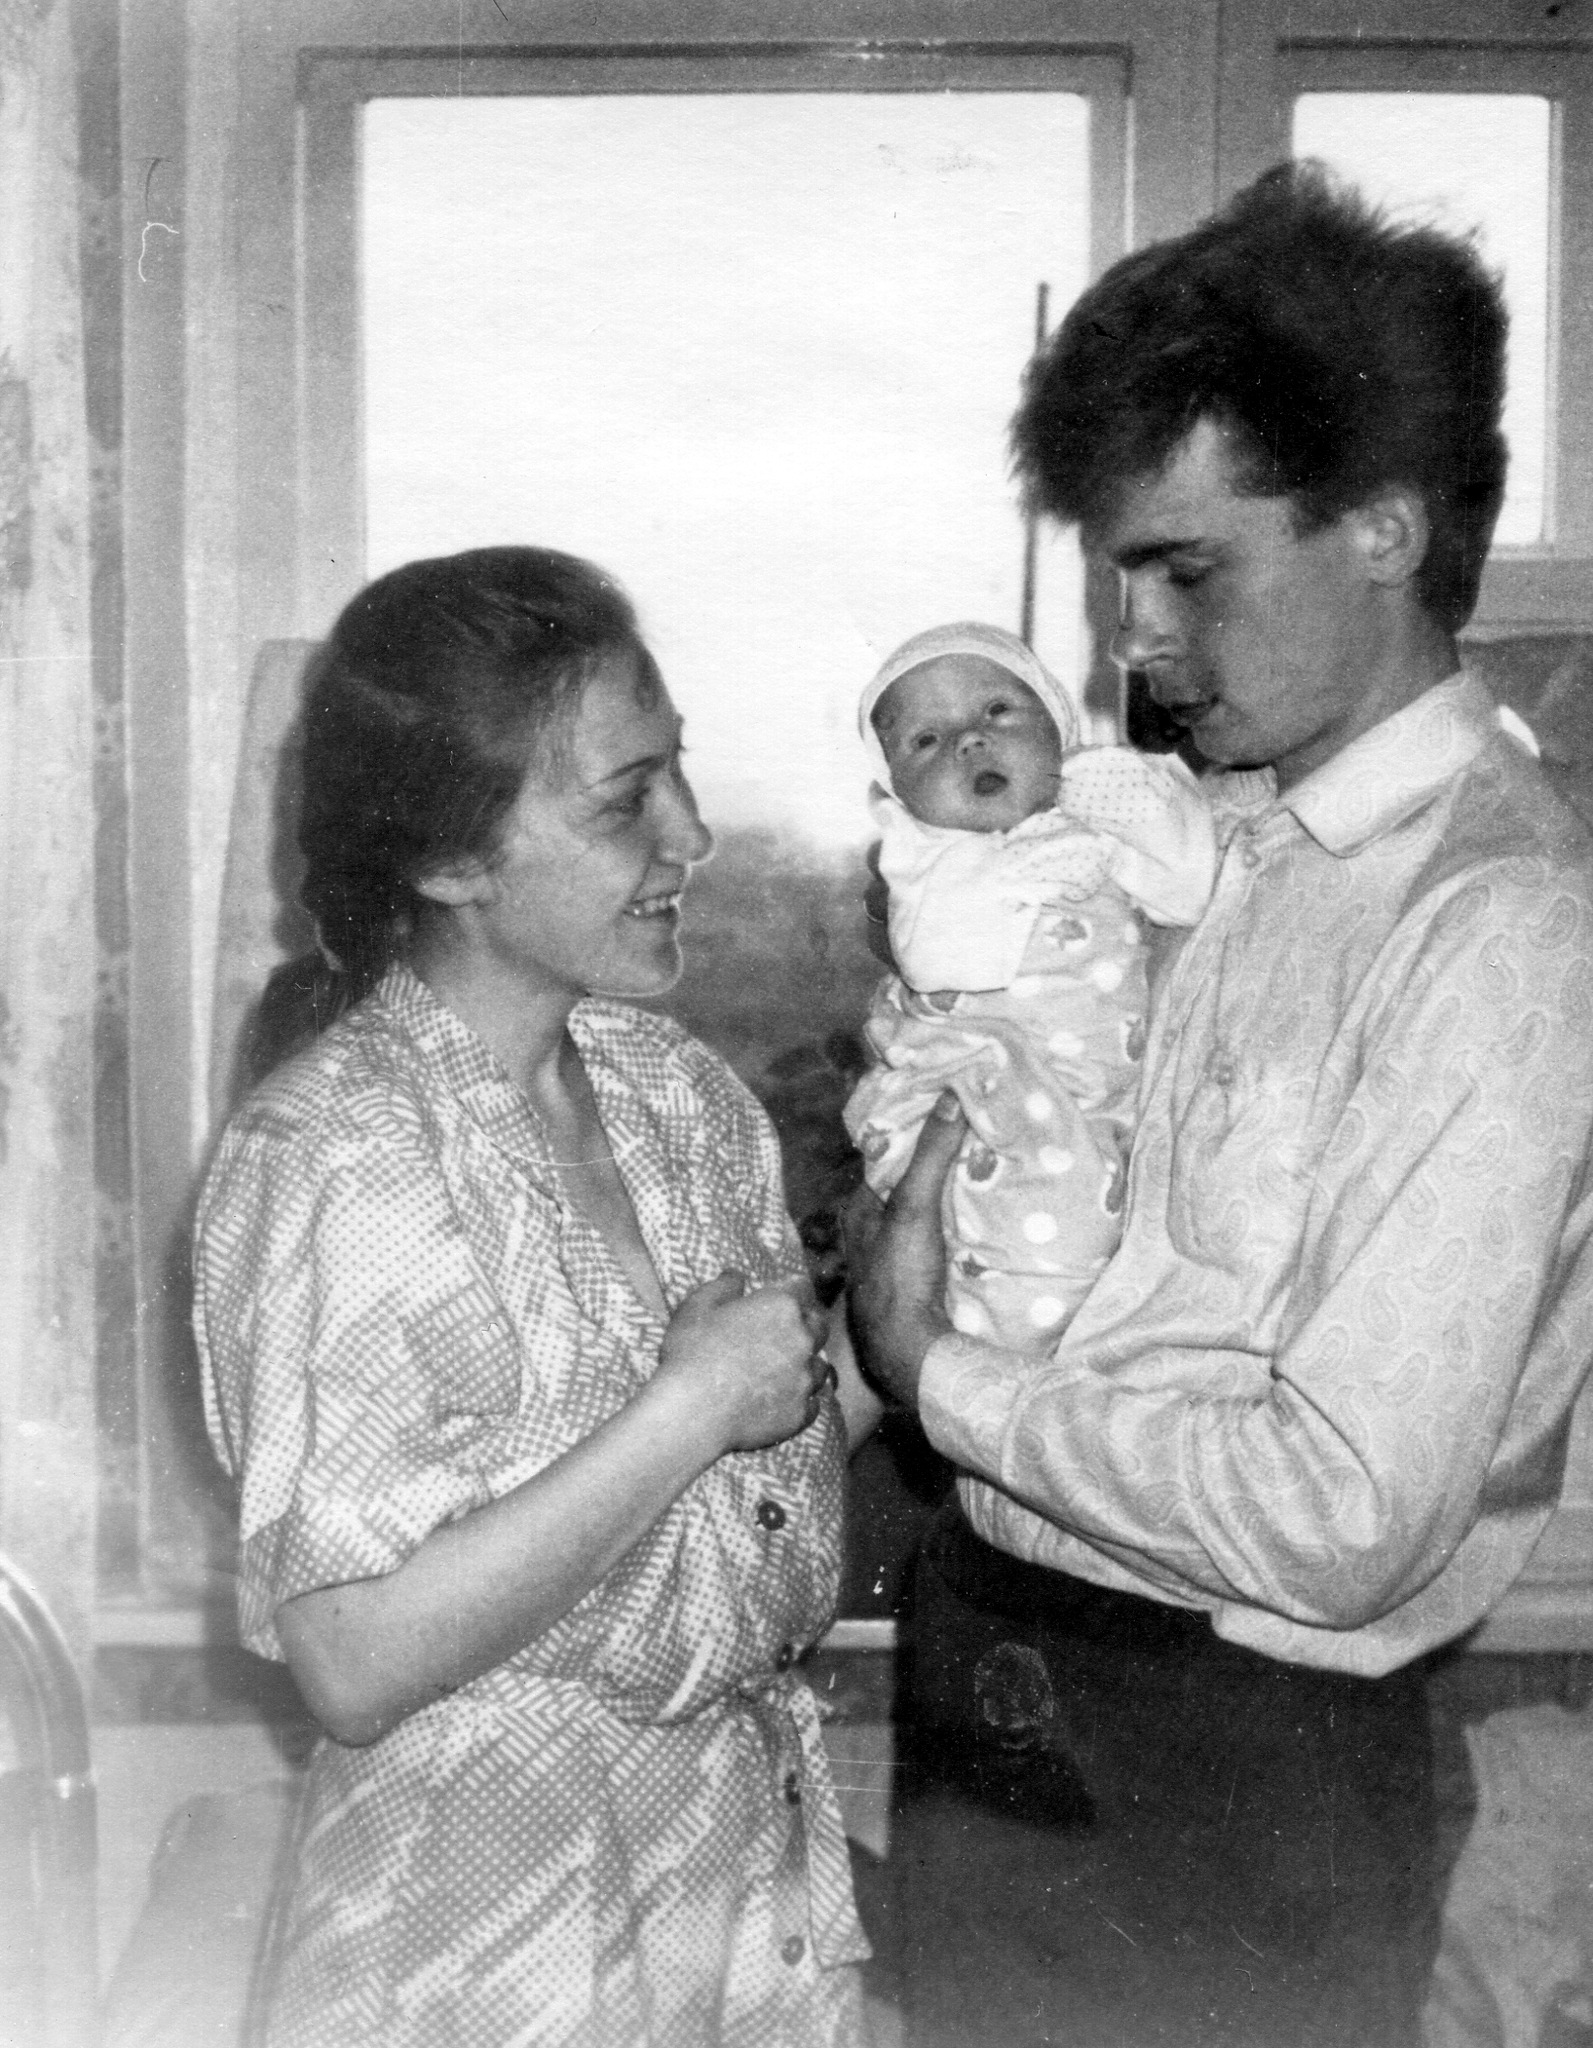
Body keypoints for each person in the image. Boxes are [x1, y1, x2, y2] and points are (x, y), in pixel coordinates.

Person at [848, 163, 1593, 2047]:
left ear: (1382, 528)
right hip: (999, 1661)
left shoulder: (1493, 921)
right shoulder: (1194, 838)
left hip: (1227, 1769)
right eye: (1115, 573)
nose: (1128, 636)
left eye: (1185, 569)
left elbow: (1343, 1513)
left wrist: (934, 1371)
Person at [193, 547, 878, 2048]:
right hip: (486, 1942)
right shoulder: (335, 1153)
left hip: (730, 1895)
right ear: (452, 863)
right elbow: (351, 1657)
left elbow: (746, 1513)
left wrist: (898, 1314)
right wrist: (688, 1407)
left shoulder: (680, 1095)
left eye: (677, 770)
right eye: (625, 801)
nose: (691, 833)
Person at [842, 621, 1214, 1351]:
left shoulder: (1092, 817)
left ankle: (1021, 1353)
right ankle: (1005, 1346)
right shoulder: (927, 851)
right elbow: (937, 957)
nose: (969, 742)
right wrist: (1024, 870)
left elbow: (1186, 887)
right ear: (899, 790)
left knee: (1105, 1218)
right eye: (926, 740)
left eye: (997, 711)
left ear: (1057, 728)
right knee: (1047, 1219)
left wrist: (1128, 808)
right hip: (981, 1077)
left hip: (1089, 1095)